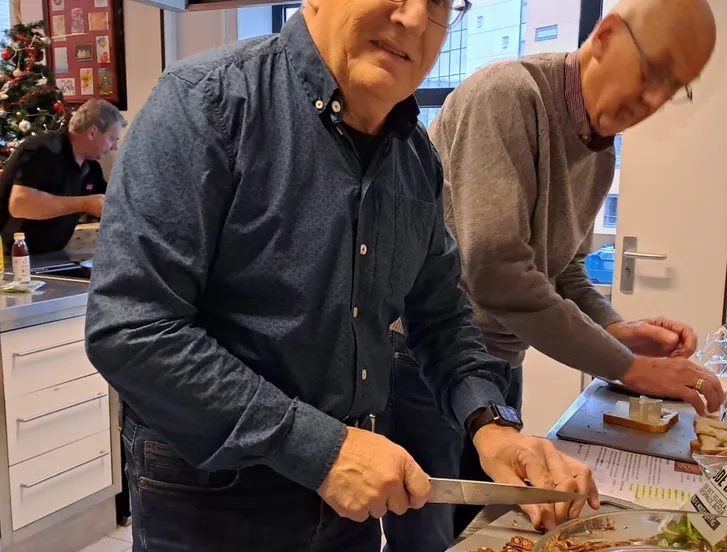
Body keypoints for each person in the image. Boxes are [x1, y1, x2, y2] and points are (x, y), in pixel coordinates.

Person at [84, 2, 602, 551]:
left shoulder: (415, 157)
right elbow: (130, 329)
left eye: (438, 2)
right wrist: (322, 449)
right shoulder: (205, 102)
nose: (413, 18)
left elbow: (441, 319)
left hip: (350, 503)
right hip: (213, 501)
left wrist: (492, 423)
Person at [376, 0, 724, 548]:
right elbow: (497, 273)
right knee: (429, 533)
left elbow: (563, 272)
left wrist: (617, 329)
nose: (653, 100)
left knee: (488, 526)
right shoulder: (509, 96)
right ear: (605, 36)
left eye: (673, 87)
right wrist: (631, 369)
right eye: (651, 72)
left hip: (501, 363)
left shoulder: (599, 153)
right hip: (428, 362)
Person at [0, 98, 124, 254]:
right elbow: (19, 204)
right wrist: (84, 203)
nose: (114, 147)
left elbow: (111, 202)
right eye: (112, 139)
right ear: (92, 132)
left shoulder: (91, 169)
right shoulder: (42, 149)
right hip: (10, 258)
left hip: (52, 256)